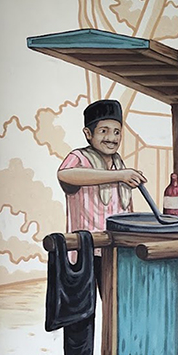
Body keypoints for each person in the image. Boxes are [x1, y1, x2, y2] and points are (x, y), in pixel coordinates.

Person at [58, 99, 148, 261]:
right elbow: (65, 174)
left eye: (117, 132)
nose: (111, 138)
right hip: (87, 250)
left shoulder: (119, 163)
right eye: (104, 131)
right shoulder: (79, 157)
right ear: (88, 134)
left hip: (117, 248)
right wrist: (120, 176)